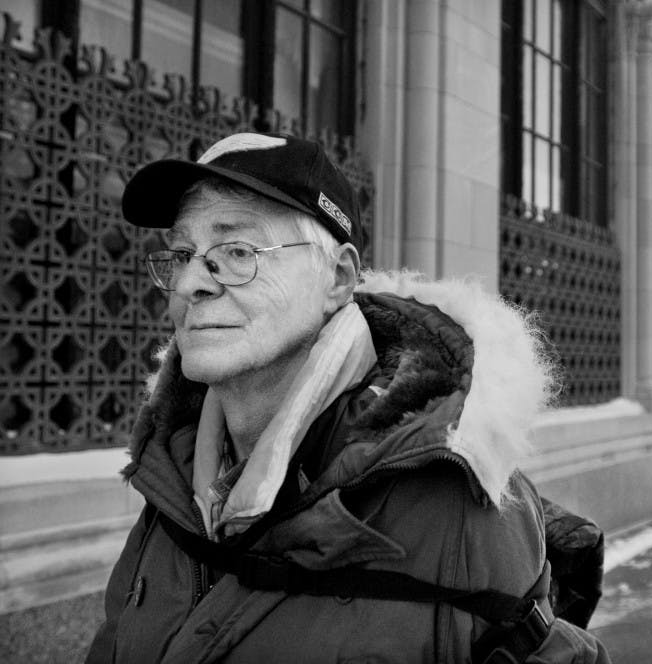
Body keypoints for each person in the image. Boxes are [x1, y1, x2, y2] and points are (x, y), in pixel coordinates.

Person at [86, 132, 610, 663]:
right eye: (181, 253)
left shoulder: (463, 508)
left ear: (337, 277)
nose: (189, 283)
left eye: (236, 250)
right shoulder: (169, 478)